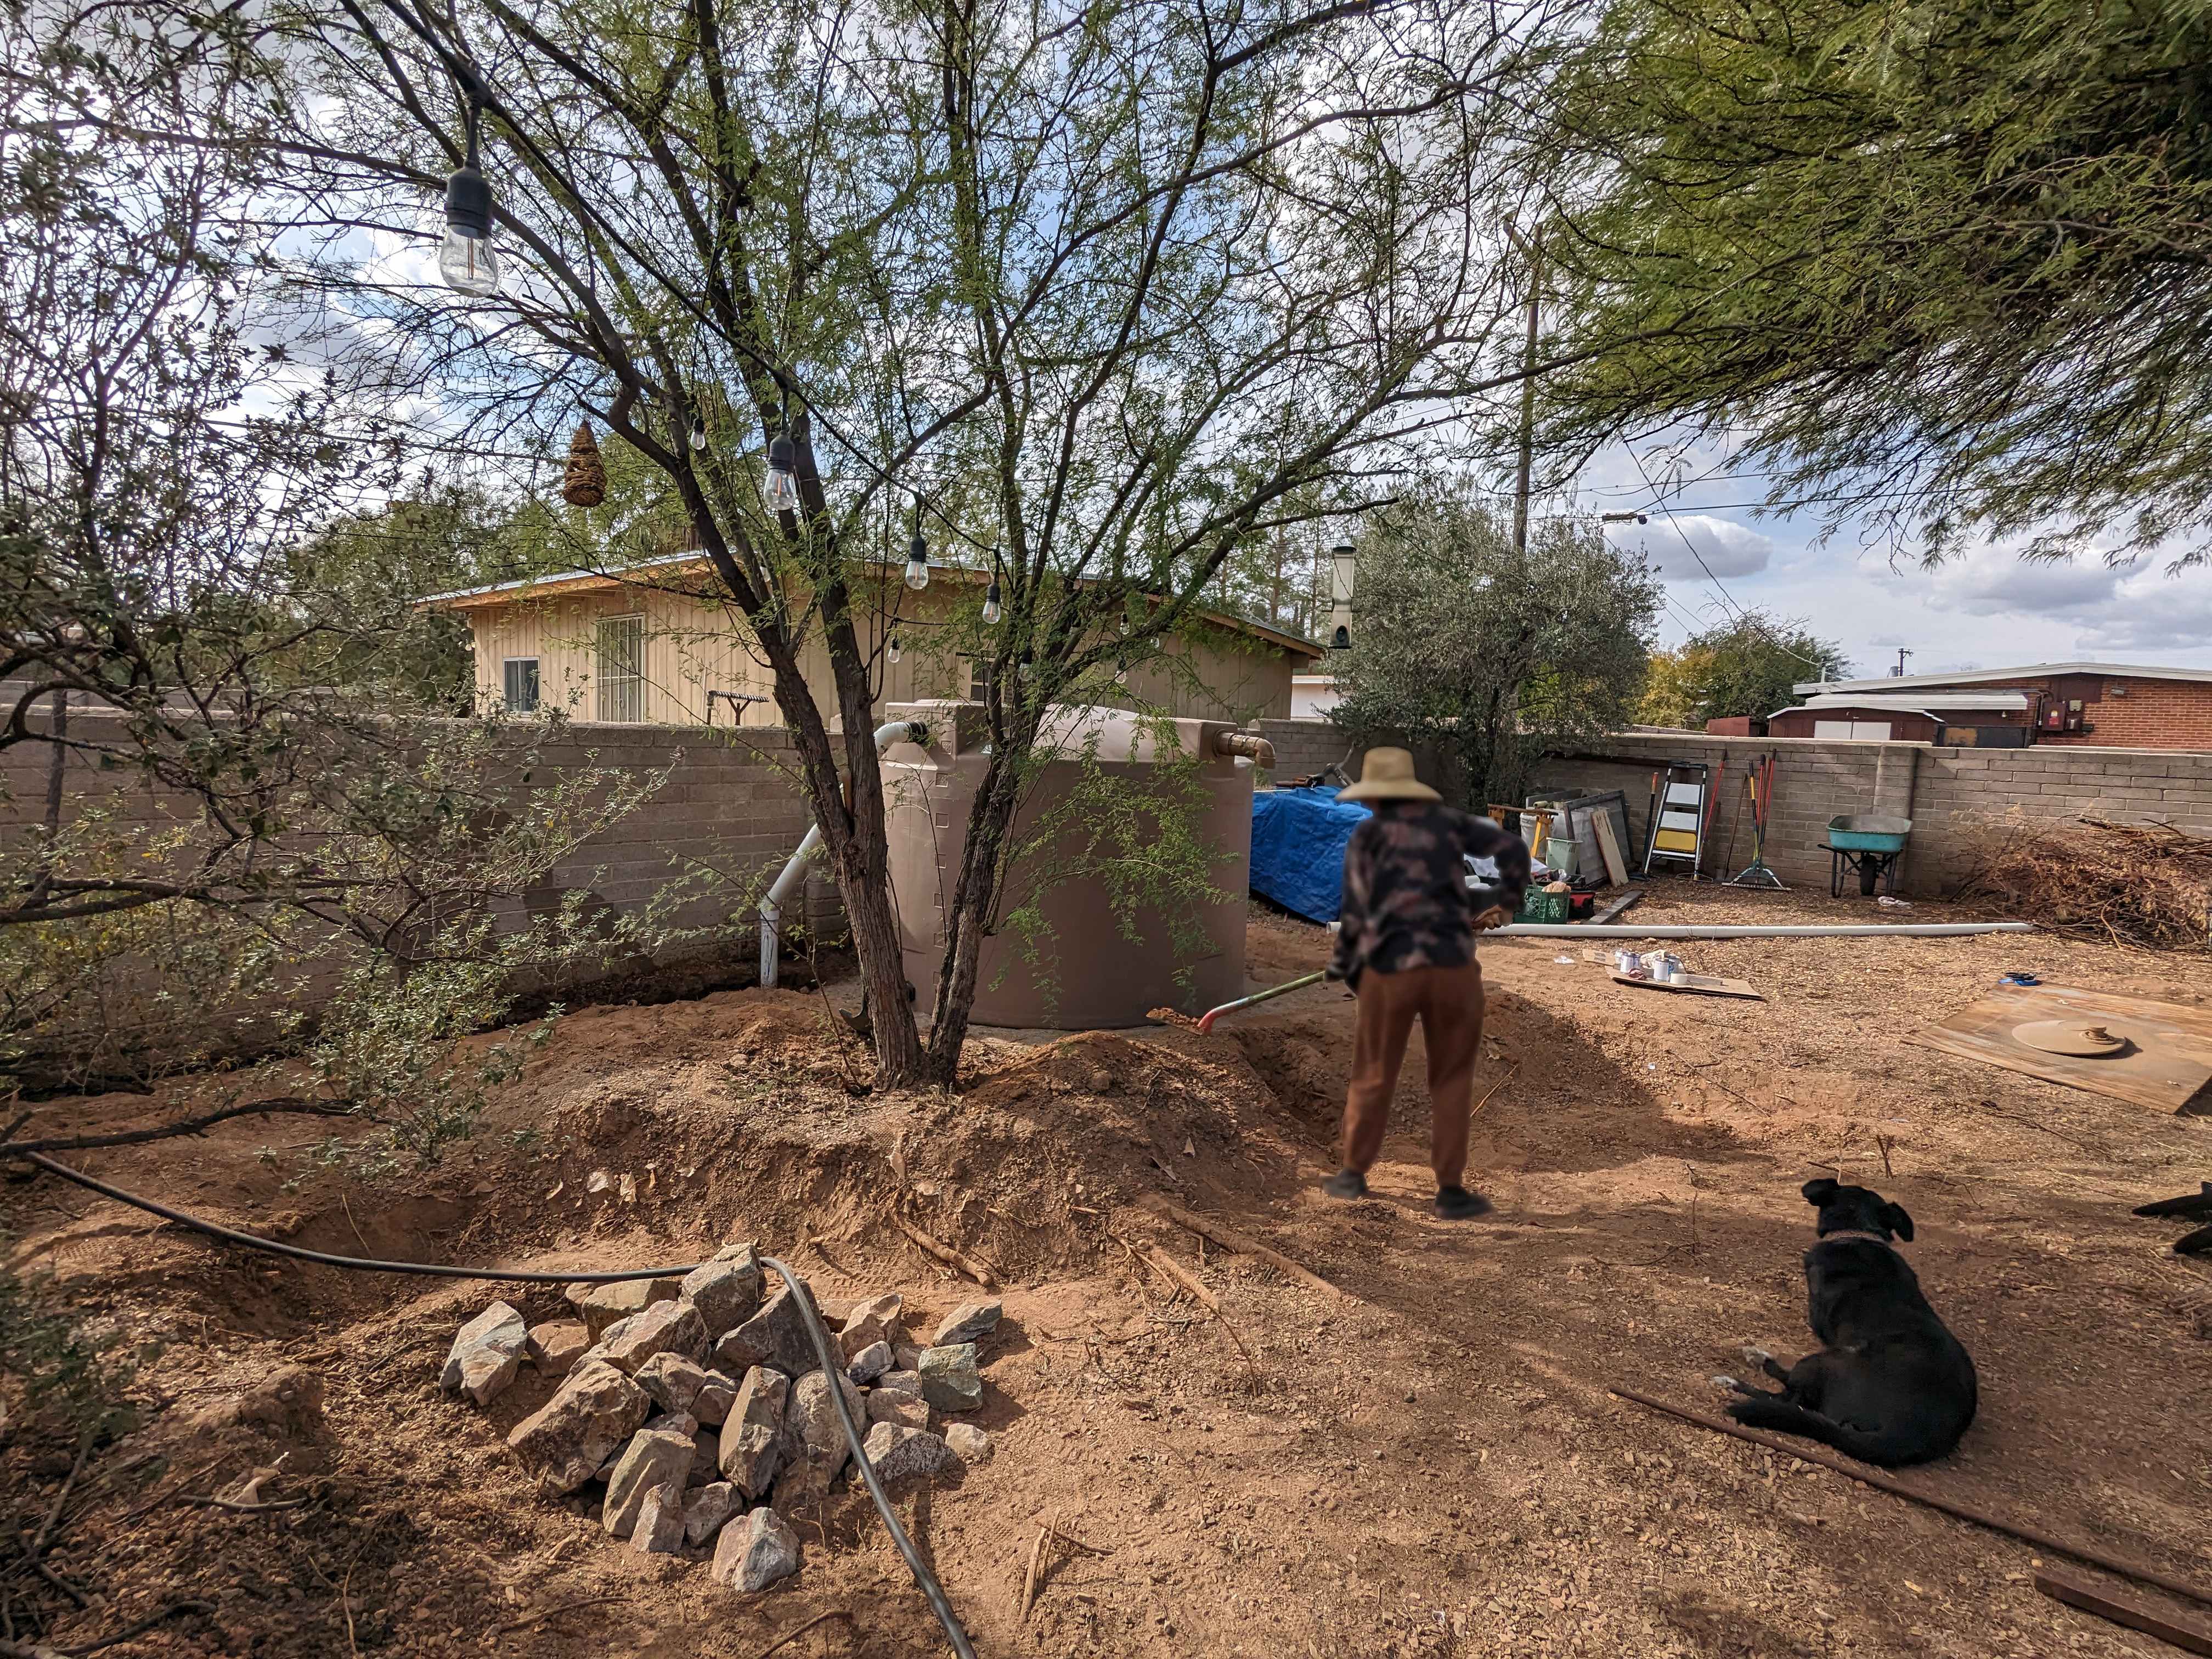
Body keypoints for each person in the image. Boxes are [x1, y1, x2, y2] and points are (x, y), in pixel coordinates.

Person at [1324, 747, 1530, 1219]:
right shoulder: (1450, 825)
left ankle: (1353, 1175)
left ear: (1375, 795)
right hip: (1453, 971)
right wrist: (1506, 903)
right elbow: (1513, 849)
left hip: (1391, 970)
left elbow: (1354, 913)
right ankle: (1451, 1189)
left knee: (1373, 1072)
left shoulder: (1368, 837)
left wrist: (1344, 964)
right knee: (1452, 1079)